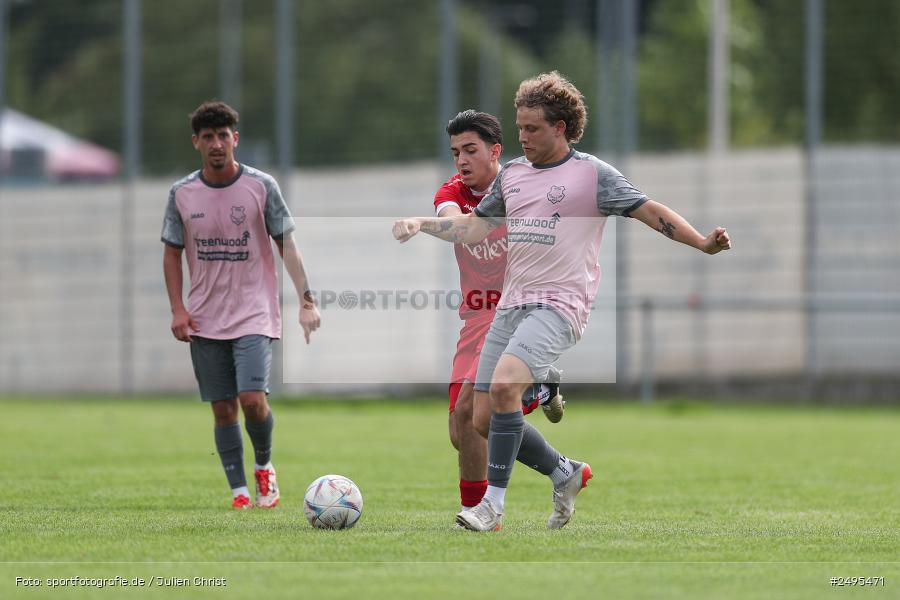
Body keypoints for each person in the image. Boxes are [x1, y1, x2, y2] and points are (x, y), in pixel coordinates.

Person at [394, 72, 731, 531]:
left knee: (506, 386)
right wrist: (422, 223)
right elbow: (472, 228)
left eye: (532, 128)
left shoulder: (591, 174)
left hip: (560, 306)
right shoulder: (513, 175)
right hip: (511, 307)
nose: (522, 137)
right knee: (480, 418)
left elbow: (651, 211)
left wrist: (702, 243)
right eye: (519, 127)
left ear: (562, 127)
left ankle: (492, 507)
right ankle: (563, 472)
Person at [161, 100, 321, 510]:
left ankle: (264, 466)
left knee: (252, 399)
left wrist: (306, 300)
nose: (217, 144)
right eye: (208, 137)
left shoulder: (261, 186)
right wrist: (178, 309)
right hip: (205, 316)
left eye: (224, 135)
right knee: (222, 408)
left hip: (254, 313)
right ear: (197, 142)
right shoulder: (182, 193)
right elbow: (171, 253)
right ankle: (239, 492)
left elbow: (287, 244)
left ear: (236, 138)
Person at [435, 110, 565, 514]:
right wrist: (431, 221)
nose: (462, 160)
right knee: (464, 430)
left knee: (473, 412)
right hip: (475, 318)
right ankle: (547, 410)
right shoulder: (450, 193)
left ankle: (479, 511)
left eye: (470, 150)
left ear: (495, 151)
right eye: (456, 152)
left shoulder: (522, 185)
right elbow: (453, 224)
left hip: (518, 312)